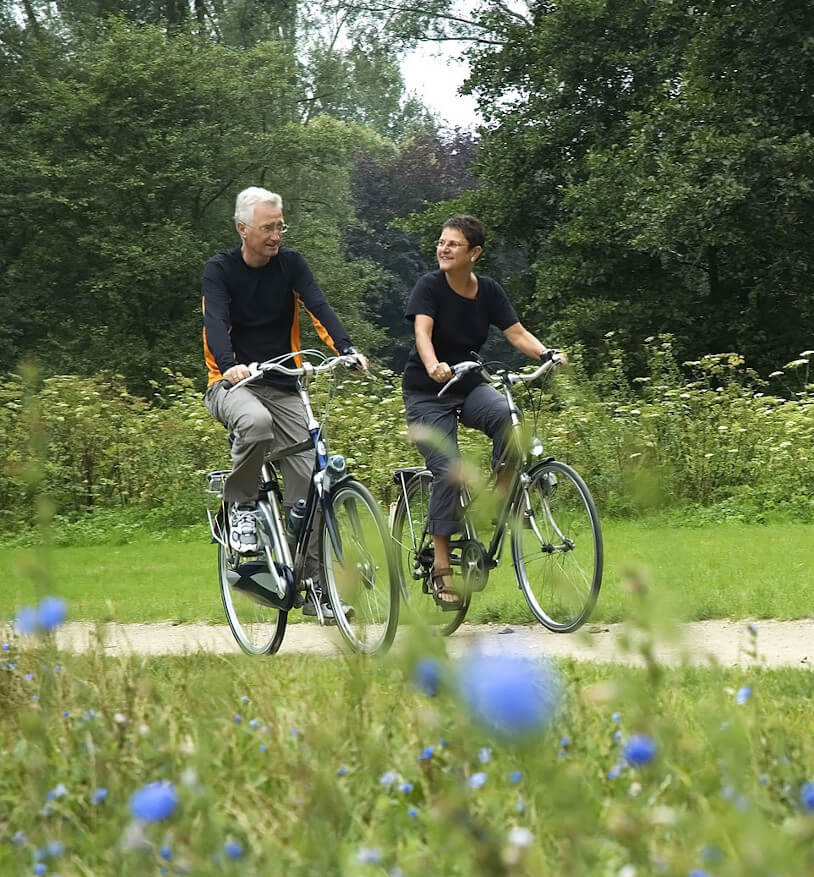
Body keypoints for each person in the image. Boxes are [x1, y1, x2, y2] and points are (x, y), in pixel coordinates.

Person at [202, 186, 368, 620]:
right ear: (243, 229)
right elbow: (215, 322)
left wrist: (345, 349)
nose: (276, 235)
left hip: (285, 384)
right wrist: (229, 365)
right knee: (255, 425)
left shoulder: (291, 264)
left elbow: (318, 306)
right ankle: (240, 504)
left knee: (310, 485)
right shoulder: (219, 270)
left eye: (280, 226)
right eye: (267, 228)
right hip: (232, 386)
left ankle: (315, 588)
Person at [402, 214, 564, 608]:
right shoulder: (430, 287)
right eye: (441, 243)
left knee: (511, 421)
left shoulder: (488, 291)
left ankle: (500, 502)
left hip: (469, 383)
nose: (443, 249)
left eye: (452, 244)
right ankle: (442, 567)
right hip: (428, 392)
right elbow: (422, 334)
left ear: (474, 253)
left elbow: (516, 332)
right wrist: (433, 365)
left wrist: (547, 353)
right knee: (450, 469)